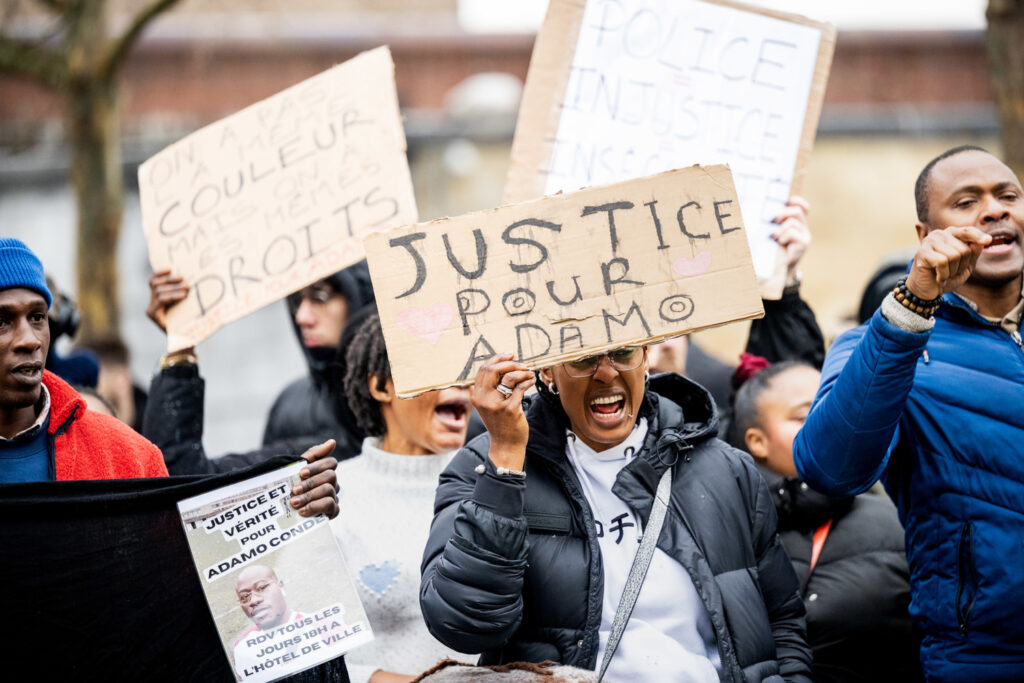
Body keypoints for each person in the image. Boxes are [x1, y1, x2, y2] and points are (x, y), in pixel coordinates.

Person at [420, 347, 812, 681]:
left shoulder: (726, 470)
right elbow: (463, 623)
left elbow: (782, 620)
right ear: (547, 370)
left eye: (624, 353)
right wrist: (505, 460)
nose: (606, 372)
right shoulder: (484, 463)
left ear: (646, 356)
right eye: (584, 358)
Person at [793, 145, 1024, 682]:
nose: (994, 210)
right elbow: (831, 468)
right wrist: (910, 309)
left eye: (1008, 196)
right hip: (982, 659)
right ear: (926, 237)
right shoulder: (880, 343)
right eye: (968, 202)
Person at [0, 238, 339, 523]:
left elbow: (193, 546)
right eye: (3, 321)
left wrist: (293, 500)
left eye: (37, 317)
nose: (28, 339)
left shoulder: (127, 457)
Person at [732, 359, 921, 683]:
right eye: (805, 415)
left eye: (835, 407)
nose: (827, 423)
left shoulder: (897, 520)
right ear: (756, 441)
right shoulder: (730, 532)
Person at [333, 314, 473, 683]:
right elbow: (301, 657)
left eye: (465, 366)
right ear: (381, 385)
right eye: (434, 367)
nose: (458, 382)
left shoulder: (498, 483)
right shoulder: (332, 497)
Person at [232, 565, 310, 678]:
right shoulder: (242, 647)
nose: (253, 600)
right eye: (244, 597)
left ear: (281, 586)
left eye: (262, 588)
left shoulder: (320, 626)